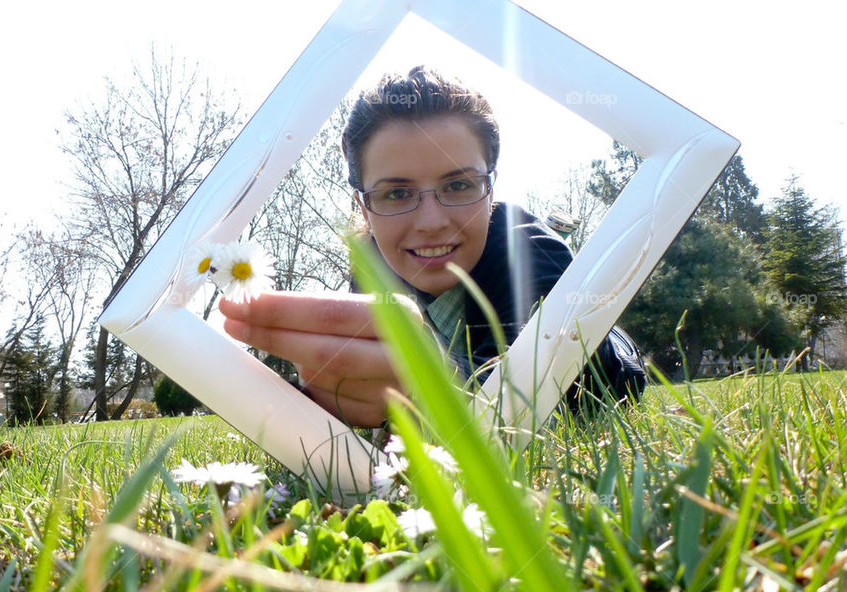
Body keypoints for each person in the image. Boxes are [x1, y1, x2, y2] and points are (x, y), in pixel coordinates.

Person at [219, 66, 645, 428]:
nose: (431, 222)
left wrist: (424, 383)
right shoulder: (370, 266)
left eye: (458, 185)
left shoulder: (532, 254)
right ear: (364, 209)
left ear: (491, 187)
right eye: (396, 194)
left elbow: (516, 409)